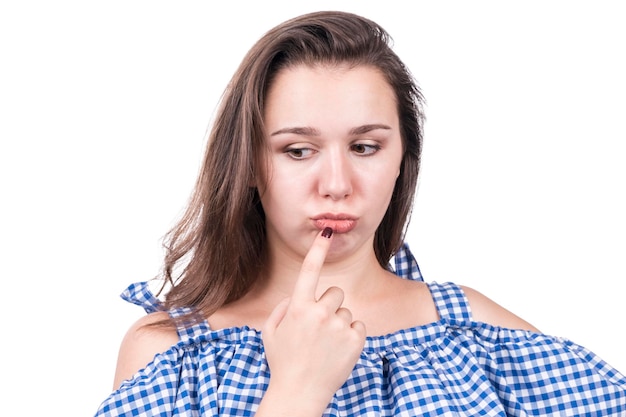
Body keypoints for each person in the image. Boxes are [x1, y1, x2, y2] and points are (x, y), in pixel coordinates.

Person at [94, 10, 626, 416]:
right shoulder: (168, 351)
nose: (337, 185)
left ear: (402, 158)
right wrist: (297, 390)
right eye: (297, 151)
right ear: (250, 164)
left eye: (365, 147)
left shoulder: (478, 332)